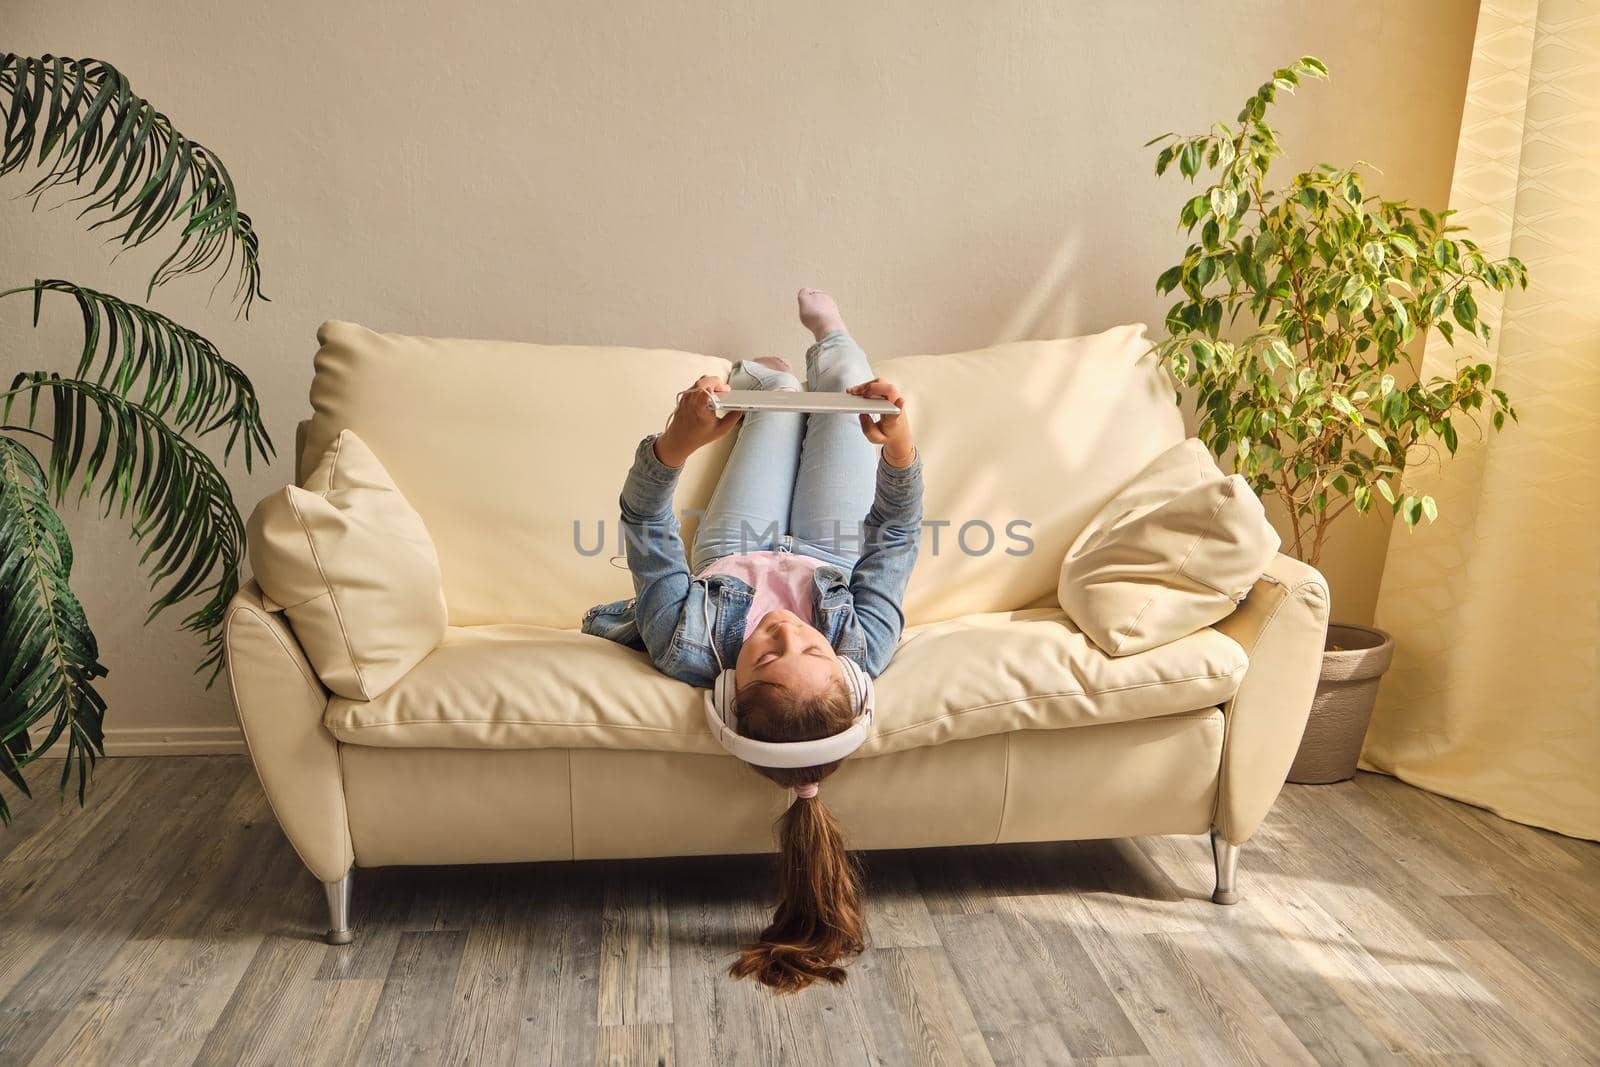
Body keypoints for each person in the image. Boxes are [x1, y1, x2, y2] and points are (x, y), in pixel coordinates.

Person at [582, 288, 923, 992]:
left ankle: (770, 381)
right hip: (827, 549)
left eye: (769, 655)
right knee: (856, 394)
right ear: (845, 668)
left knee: (775, 403)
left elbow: (644, 522)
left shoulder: (686, 641)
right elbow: (893, 535)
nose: (787, 629)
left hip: (734, 549)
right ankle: (831, 334)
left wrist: (676, 442)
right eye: (814, 650)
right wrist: (899, 449)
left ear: (731, 685)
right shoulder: (865, 645)